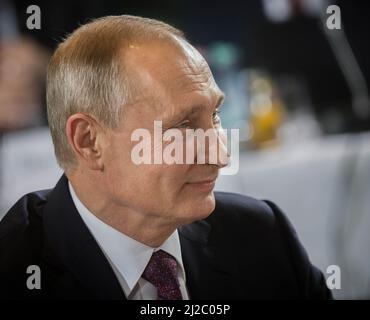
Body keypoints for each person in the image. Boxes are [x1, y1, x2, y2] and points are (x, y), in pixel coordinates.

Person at [0, 15, 331, 300]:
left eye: (215, 115)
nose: (221, 154)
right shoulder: (15, 270)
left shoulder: (262, 235)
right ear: (89, 142)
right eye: (183, 126)